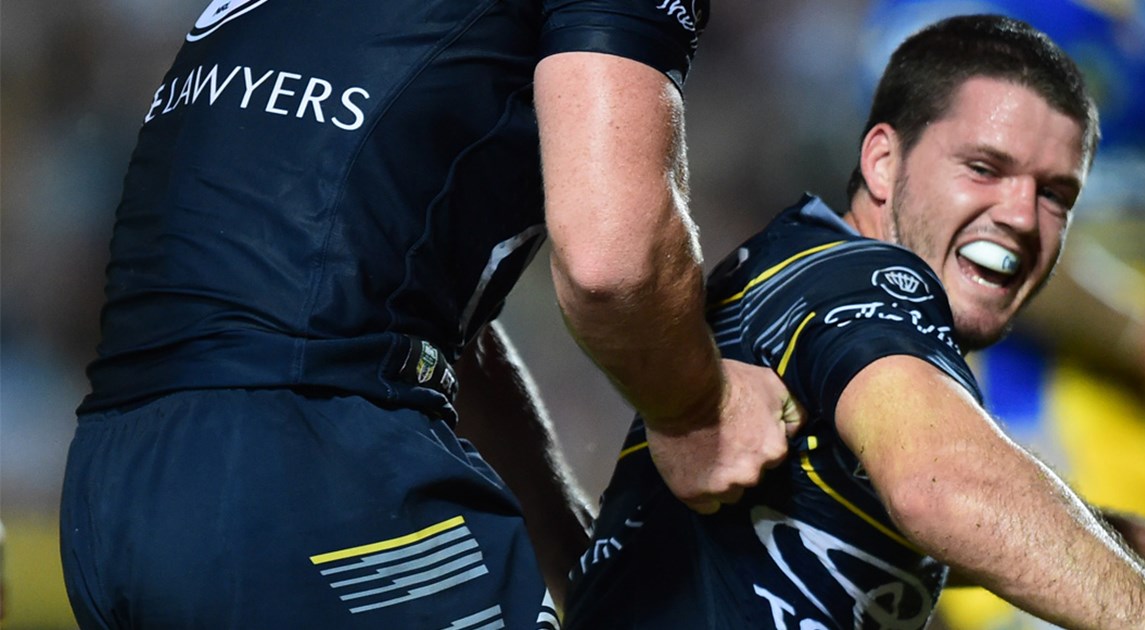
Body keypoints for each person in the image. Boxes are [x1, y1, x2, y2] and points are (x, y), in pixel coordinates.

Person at [567, 15, 1145, 629]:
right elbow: (947, 490)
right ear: (882, 162)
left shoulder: (796, 267)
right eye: (984, 168)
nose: (1022, 215)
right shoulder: (867, 281)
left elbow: (875, 503)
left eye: (1056, 195)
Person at [59, 0, 795, 627]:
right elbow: (613, 263)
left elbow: (403, 302)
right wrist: (698, 410)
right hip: (312, 472)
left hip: (112, 485)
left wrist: (571, 555)